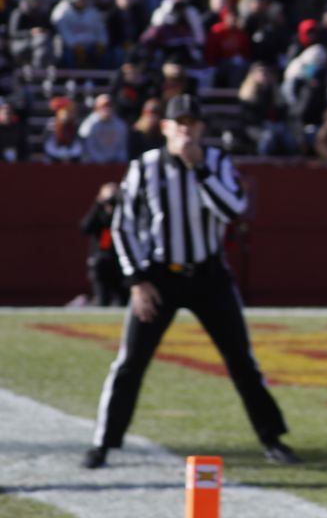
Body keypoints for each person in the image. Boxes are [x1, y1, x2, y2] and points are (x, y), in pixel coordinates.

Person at [82, 95, 300, 469]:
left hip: (209, 274)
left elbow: (233, 210)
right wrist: (136, 281)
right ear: (164, 127)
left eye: (192, 123)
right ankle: (103, 442)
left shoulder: (216, 162)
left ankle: (272, 438)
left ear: (201, 129)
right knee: (130, 361)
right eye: (178, 123)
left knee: (241, 360)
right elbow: (123, 226)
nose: (185, 129)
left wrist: (199, 169)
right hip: (160, 277)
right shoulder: (144, 167)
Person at [79, 182, 126, 306]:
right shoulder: (98, 211)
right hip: (101, 259)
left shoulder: (123, 210)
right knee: (102, 299)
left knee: (122, 300)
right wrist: (99, 205)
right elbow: (85, 227)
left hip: (120, 260)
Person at [78, 94, 130, 164]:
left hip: (114, 163)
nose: (107, 109)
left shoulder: (120, 125)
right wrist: (102, 162)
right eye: (103, 106)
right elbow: (89, 148)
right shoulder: (89, 125)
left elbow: (122, 148)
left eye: (109, 105)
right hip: (94, 164)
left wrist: (119, 162)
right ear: (96, 108)